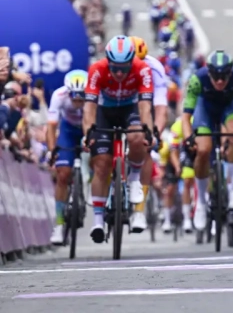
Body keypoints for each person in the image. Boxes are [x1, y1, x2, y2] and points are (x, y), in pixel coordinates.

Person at [83, 35, 155, 242]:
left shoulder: (142, 69)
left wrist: (148, 130)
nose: (119, 73)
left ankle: (133, 179)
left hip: (129, 109)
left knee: (137, 136)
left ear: (132, 61)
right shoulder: (97, 69)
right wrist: (88, 132)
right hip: (105, 111)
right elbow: (89, 107)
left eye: (124, 68)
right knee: (102, 164)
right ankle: (97, 221)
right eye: (115, 68)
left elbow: (145, 106)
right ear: (108, 61)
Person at [180, 50, 233, 232]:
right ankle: (200, 200)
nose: (220, 81)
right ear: (208, 73)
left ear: (230, 73)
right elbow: (186, 117)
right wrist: (188, 138)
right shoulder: (197, 79)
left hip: (229, 107)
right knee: (203, 149)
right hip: (205, 110)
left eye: (224, 76)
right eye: (216, 76)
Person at [129, 35, 169, 229]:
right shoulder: (112, 67)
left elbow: (160, 108)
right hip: (120, 103)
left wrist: (156, 133)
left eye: (141, 62)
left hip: (145, 106)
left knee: (144, 145)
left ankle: (139, 209)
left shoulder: (154, 69)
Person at [47, 70, 88, 245]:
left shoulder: (95, 95)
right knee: (63, 175)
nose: (78, 103)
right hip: (68, 131)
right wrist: (52, 150)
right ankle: (59, 224)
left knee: (101, 158)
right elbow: (51, 126)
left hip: (89, 127)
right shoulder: (59, 95)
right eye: (75, 98)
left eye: (81, 99)